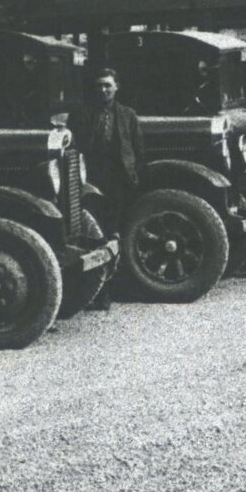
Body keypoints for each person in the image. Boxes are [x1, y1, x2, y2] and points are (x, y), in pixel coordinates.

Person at [73, 66, 144, 313]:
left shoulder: (128, 115)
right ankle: (97, 292)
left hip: (118, 183)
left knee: (117, 234)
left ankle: (116, 289)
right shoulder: (82, 114)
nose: (103, 90)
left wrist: (134, 179)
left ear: (116, 87)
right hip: (90, 181)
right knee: (95, 236)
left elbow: (137, 151)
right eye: (99, 86)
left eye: (108, 85)